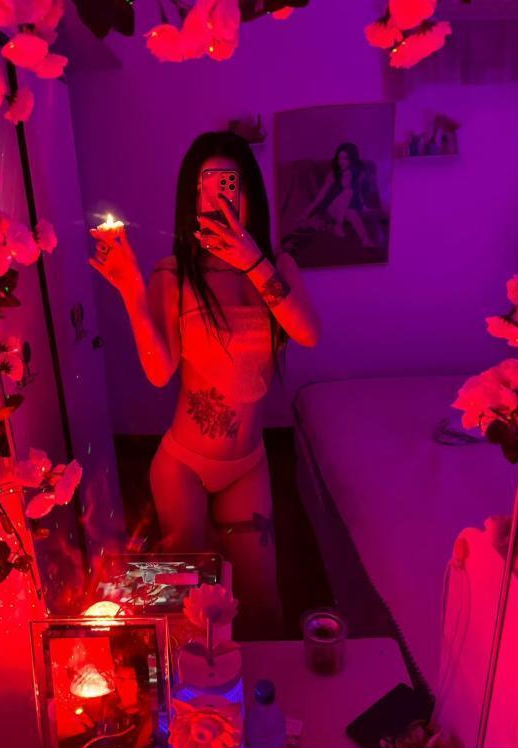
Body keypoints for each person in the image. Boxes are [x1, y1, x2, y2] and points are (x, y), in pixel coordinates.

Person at [90, 131, 320, 633]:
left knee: (262, 603)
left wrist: (252, 261)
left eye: (229, 184)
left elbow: (307, 332)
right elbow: (159, 373)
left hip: (248, 463)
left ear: (249, 192)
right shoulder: (174, 272)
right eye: (205, 186)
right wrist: (131, 291)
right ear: (192, 198)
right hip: (184, 467)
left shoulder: (276, 267)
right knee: (192, 612)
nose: (218, 198)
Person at [296, 142, 375, 249]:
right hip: (332, 208)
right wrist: (305, 214)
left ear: (352, 159)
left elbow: (359, 192)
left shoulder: (359, 173)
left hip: (347, 208)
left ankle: (366, 241)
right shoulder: (333, 174)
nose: (341, 162)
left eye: (345, 158)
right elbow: (320, 197)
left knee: (351, 212)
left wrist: (364, 207)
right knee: (349, 191)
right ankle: (338, 225)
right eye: (339, 158)